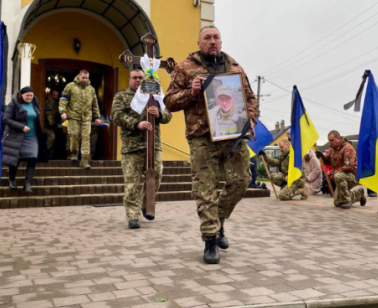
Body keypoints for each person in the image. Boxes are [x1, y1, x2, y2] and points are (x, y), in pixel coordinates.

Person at [164, 25, 256, 264]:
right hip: (202, 137)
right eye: (207, 38)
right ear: (199, 42)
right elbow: (169, 102)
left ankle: (218, 222)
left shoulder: (234, 67)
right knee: (205, 189)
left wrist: (251, 118)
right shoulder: (185, 68)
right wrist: (190, 93)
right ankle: (211, 239)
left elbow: (250, 98)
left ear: (221, 42)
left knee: (241, 181)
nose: (212, 41)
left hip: (234, 135)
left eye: (216, 37)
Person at [111, 69, 172, 229]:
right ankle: (133, 215)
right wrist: (136, 124)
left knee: (156, 175)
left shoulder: (154, 95)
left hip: (153, 145)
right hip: (132, 146)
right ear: (129, 79)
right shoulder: (122, 96)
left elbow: (168, 115)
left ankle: (146, 204)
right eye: (134, 78)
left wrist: (158, 113)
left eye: (140, 78)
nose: (138, 80)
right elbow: (115, 115)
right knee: (132, 182)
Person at [2, 87, 48, 193]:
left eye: (31, 95)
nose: (29, 97)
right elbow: (6, 119)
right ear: (21, 95)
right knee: (16, 158)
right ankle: (12, 179)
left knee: (33, 158)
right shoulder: (13, 104)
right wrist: (21, 127)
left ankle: (27, 183)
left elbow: (37, 118)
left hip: (32, 136)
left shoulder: (34, 103)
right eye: (27, 95)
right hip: (17, 136)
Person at [59, 70, 101, 169]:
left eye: (87, 78)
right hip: (73, 116)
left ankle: (84, 160)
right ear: (79, 76)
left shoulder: (91, 89)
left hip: (86, 117)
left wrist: (97, 117)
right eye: (83, 78)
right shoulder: (70, 86)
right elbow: (63, 99)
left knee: (86, 137)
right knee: (73, 135)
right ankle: (74, 153)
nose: (85, 80)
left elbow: (95, 103)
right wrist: (63, 112)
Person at [316, 130, 366, 209]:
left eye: (332, 140)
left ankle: (347, 200)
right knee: (337, 202)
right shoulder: (332, 149)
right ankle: (358, 194)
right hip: (340, 176)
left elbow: (348, 166)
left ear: (338, 138)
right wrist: (322, 157)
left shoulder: (347, 148)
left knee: (338, 176)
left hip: (351, 175)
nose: (330, 142)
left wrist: (335, 172)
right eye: (329, 140)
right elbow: (329, 161)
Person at [44, 89, 60, 158]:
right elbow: (49, 113)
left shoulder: (56, 102)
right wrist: (52, 124)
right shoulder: (49, 101)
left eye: (57, 95)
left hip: (53, 124)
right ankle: (45, 153)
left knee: (55, 139)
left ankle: (50, 155)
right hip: (47, 125)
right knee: (52, 137)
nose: (56, 96)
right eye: (54, 95)